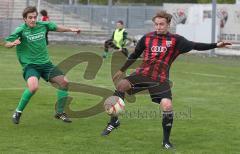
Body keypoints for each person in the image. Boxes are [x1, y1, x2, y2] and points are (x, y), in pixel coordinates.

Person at [101, 11, 231, 149]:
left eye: (161, 24)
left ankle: (166, 141)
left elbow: (195, 45)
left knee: (167, 106)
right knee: (121, 85)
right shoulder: (147, 38)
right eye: (156, 24)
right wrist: (122, 69)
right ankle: (114, 121)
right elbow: (134, 54)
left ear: (168, 24)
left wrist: (216, 45)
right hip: (142, 74)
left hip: (160, 79)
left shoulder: (176, 40)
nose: (158, 27)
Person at [4, 6, 81, 124]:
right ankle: (18, 111)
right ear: (24, 19)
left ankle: (60, 112)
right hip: (31, 66)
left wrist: (71, 29)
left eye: (35, 17)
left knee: (64, 82)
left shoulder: (43, 25)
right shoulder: (20, 30)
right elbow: (6, 43)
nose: (33, 20)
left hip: (46, 64)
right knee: (33, 87)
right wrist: (13, 43)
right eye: (30, 17)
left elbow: (57, 27)